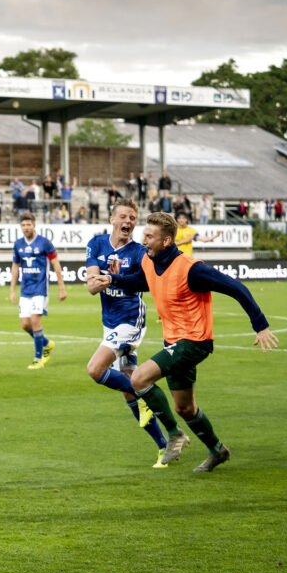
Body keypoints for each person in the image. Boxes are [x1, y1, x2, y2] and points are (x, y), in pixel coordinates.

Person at [87, 212, 279, 472]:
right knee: (185, 407)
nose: (143, 240)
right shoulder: (150, 262)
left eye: (150, 236)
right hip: (173, 341)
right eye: (144, 234)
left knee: (139, 378)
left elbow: (236, 287)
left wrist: (260, 326)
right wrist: (112, 278)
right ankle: (217, 450)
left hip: (194, 341)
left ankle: (174, 435)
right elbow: (140, 281)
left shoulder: (191, 268)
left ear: (166, 241)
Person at [84, 200, 170, 468]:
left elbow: (142, 284)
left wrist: (106, 278)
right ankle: (165, 445)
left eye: (133, 217)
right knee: (129, 389)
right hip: (110, 322)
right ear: (112, 219)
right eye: (123, 216)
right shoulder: (96, 244)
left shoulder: (139, 252)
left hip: (131, 320)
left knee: (95, 369)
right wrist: (101, 279)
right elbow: (91, 286)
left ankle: (144, 396)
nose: (128, 221)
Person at [10, 211, 67, 369]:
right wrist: (12, 290)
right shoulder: (18, 244)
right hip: (25, 290)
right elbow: (15, 267)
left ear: (34, 225)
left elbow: (56, 264)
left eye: (29, 224)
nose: (26, 227)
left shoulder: (44, 243)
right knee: (25, 325)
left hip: (40, 289)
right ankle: (47, 343)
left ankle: (38, 358)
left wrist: (61, 288)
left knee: (35, 322)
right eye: (23, 225)